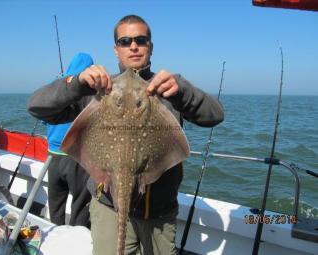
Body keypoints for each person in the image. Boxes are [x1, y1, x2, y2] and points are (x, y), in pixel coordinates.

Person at [27, 15, 224, 255]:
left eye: (141, 40)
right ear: (116, 49)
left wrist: (182, 93)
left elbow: (214, 116)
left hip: (160, 213)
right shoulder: (99, 89)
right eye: (125, 41)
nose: (133, 46)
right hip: (109, 208)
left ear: (150, 46)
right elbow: (36, 107)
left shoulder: (168, 87)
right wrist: (76, 84)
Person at [45, 53, 93, 227]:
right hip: (75, 158)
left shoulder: (58, 88)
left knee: (55, 204)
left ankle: (56, 233)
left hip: (52, 157)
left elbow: (44, 117)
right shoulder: (86, 91)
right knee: (80, 204)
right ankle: (77, 236)